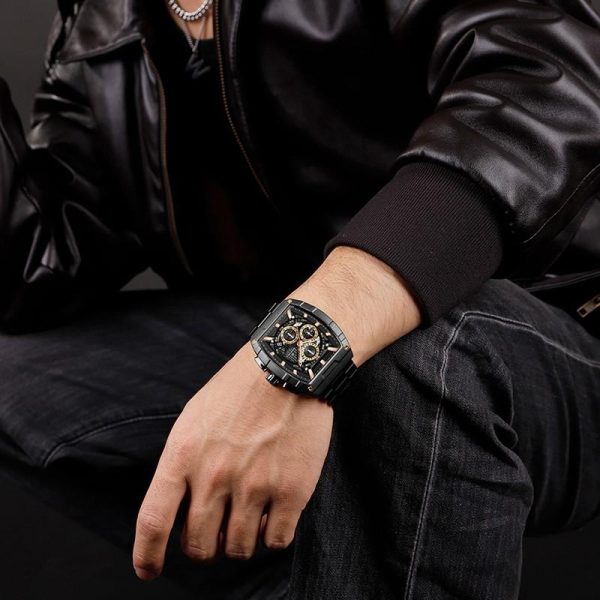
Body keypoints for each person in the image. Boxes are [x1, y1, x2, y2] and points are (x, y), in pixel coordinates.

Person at [0, 0, 599, 598]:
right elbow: (38, 270)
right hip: (271, 325)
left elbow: (545, 97)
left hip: (547, 340)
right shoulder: (100, 15)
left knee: (402, 347)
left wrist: (297, 351)